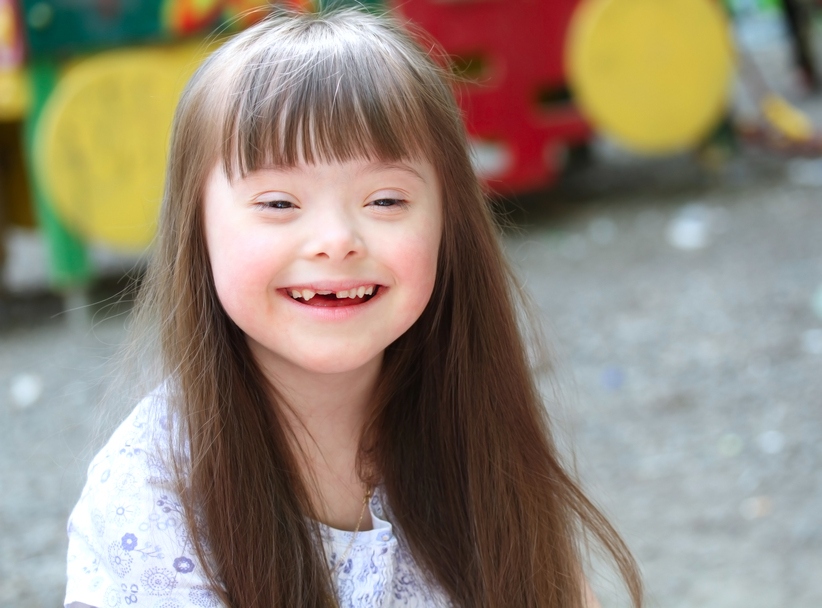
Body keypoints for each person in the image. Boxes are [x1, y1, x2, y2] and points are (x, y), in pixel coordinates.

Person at [65, 8, 642, 608]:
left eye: (386, 199)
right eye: (280, 203)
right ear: (197, 229)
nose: (336, 239)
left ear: (450, 225)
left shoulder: (471, 421)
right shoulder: (154, 487)